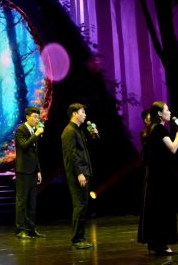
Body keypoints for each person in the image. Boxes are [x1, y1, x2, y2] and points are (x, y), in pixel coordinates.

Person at [137, 101, 178, 256]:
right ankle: (162, 244)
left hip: (156, 176)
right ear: (159, 113)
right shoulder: (159, 129)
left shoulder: (154, 129)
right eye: (167, 110)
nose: (169, 112)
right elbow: (173, 148)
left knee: (156, 209)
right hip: (160, 177)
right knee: (162, 209)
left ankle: (155, 244)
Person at [61, 103, 99, 249]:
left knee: (83, 205)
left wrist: (94, 134)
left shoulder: (78, 130)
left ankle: (80, 237)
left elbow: (85, 151)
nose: (85, 115)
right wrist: (80, 173)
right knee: (80, 206)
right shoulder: (69, 131)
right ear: (74, 113)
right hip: (79, 173)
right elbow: (72, 155)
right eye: (82, 112)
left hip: (84, 171)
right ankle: (77, 239)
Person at [14, 106, 46, 239]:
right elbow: (24, 146)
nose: (37, 119)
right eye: (34, 117)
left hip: (33, 170)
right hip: (23, 170)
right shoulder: (21, 130)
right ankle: (20, 229)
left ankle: (31, 228)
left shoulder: (34, 130)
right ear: (27, 117)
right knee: (22, 201)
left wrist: (38, 170)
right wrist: (36, 134)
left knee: (32, 201)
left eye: (38, 117)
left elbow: (35, 153)